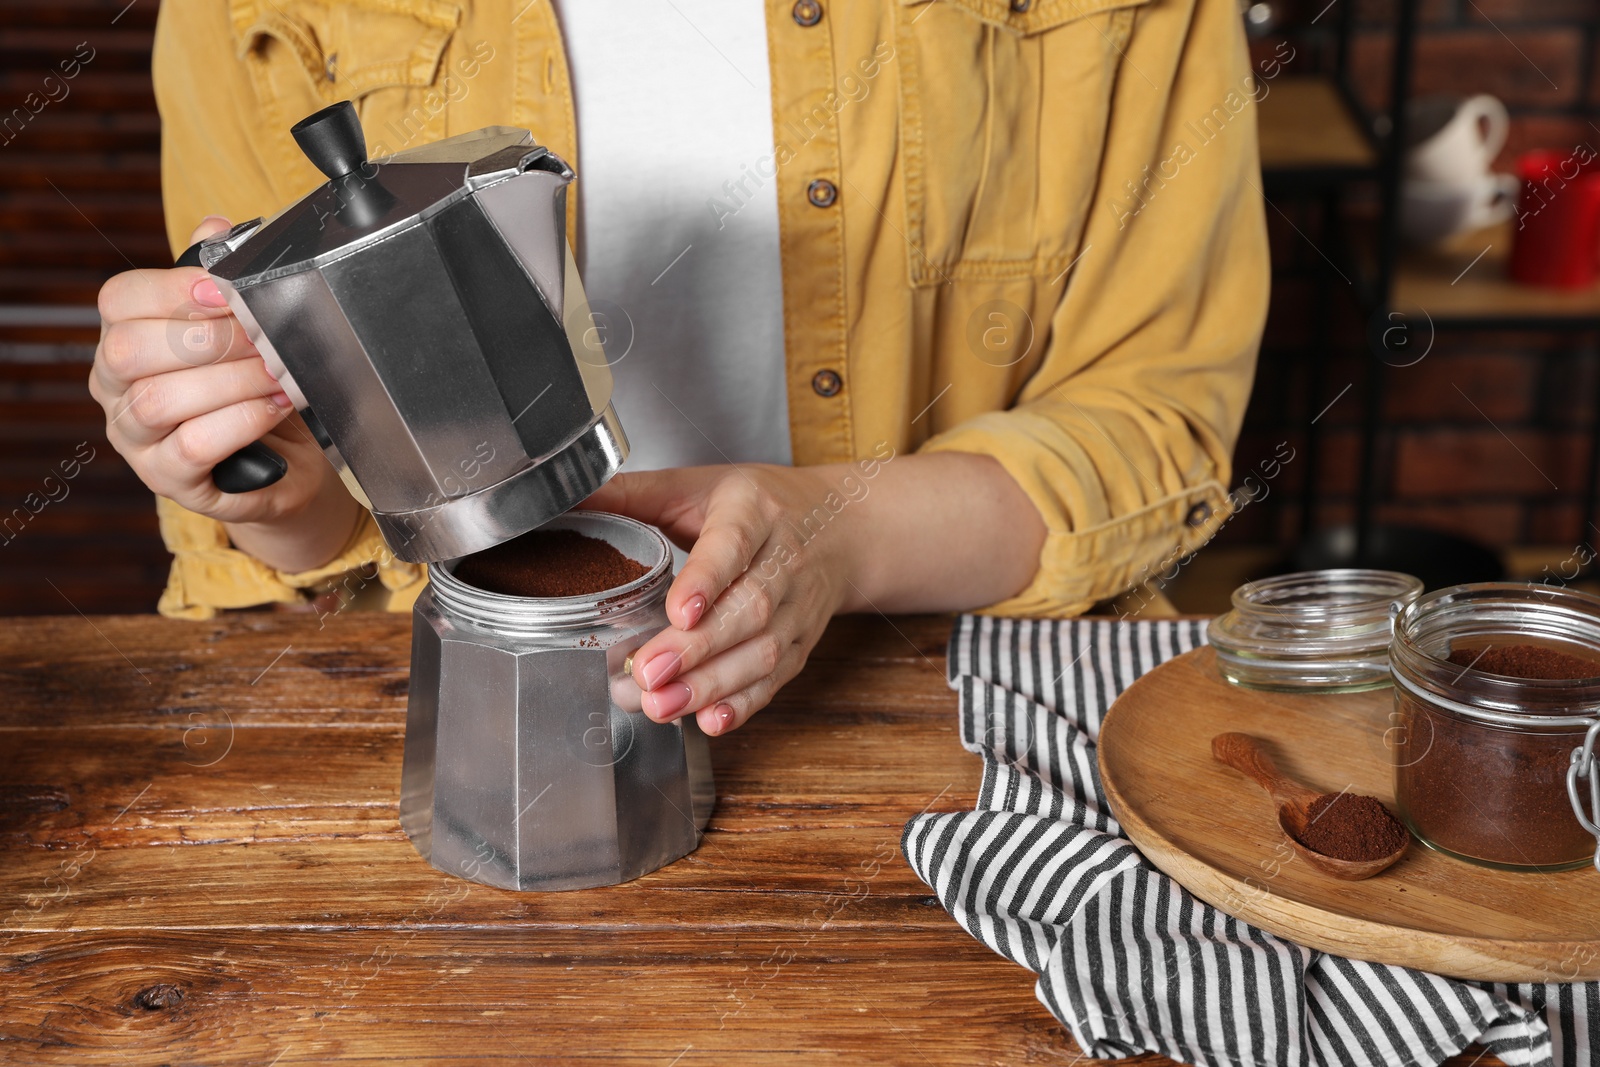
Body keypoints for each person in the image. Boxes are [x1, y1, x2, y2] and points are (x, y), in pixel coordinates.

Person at [89, 0, 1268, 738]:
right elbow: (302, 528)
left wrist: (833, 531)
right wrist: (249, 461)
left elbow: (1157, 412)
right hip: (445, 691)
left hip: (962, 705)